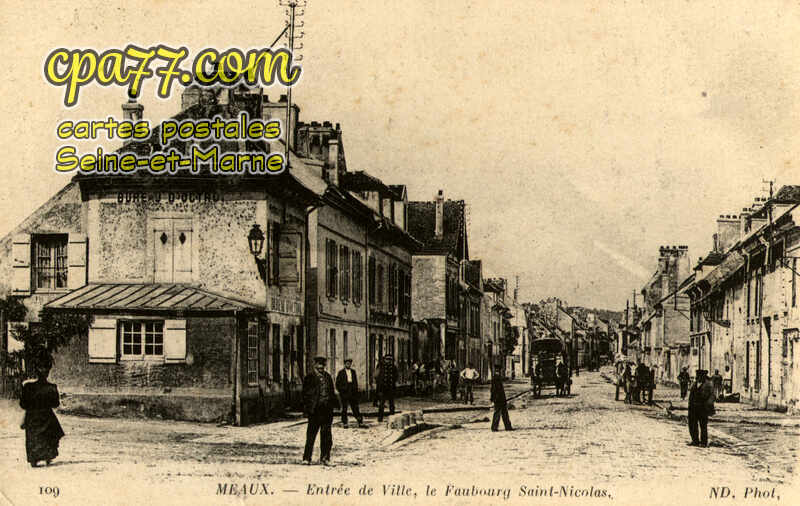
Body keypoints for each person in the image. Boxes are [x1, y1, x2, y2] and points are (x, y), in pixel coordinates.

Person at [19, 351, 64, 468]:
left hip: (32, 417)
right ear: (48, 372)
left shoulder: (28, 387)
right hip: (47, 416)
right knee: (49, 434)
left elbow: (23, 404)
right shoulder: (52, 387)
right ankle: (48, 456)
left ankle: (34, 459)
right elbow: (55, 404)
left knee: (33, 437)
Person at [302, 356, 338, 465]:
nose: (321, 368)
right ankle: (307, 458)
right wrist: (307, 409)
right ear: (315, 366)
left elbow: (331, 392)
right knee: (311, 435)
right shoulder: (309, 377)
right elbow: (304, 395)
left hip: (327, 410)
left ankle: (325, 458)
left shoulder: (328, 377)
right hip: (315, 410)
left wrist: (334, 405)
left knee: (326, 435)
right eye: (319, 366)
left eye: (322, 366)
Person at [687, 369, 716, 447]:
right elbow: (691, 395)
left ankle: (703, 442)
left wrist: (708, 405)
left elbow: (712, 396)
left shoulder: (708, 384)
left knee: (703, 426)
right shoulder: (694, 384)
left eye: (699, 376)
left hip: (703, 408)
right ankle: (695, 441)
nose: (698, 377)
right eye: (697, 376)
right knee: (692, 425)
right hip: (693, 408)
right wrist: (689, 406)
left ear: (703, 376)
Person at [335, 358, 364, 428]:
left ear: (351, 364)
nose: (348, 364)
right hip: (345, 392)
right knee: (344, 408)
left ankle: (360, 421)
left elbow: (355, 382)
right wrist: (341, 391)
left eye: (349, 363)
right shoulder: (341, 372)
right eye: (347, 363)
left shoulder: (353, 372)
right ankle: (345, 422)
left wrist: (356, 391)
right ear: (344, 364)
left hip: (352, 391)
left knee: (355, 407)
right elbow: (337, 383)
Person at [490, 365, 513, 431]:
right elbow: (495, 389)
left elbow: (493, 389)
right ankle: (496, 427)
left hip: (500, 398)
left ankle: (507, 427)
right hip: (499, 398)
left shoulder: (496, 377)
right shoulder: (496, 378)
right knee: (499, 412)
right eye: (498, 371)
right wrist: (495, 398)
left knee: (503, 412)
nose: (499, 372)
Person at [377, 354, 398, 422]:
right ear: (384, 360)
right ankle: (380, 418)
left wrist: (394, 385)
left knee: (391, 404)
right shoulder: (381, 367)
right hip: (383, 388)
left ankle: (392, 417)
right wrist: (379, 387)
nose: (388, 361)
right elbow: (377, 376)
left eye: (390, 360)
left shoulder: (393, 367)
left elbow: (396, 376)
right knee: (381, 404)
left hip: (390, 388)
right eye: (387, 359)